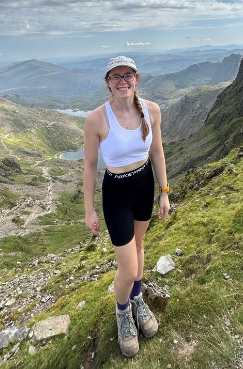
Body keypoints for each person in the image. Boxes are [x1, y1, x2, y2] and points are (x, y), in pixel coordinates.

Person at [82, 55, 170, 358]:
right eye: (115, 76)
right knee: (129, 265)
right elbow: (91, 166)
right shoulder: (97, 119)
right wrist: (89, 210)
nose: (122, 81)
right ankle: (122, 312)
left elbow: (157, 151)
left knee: (140, 246)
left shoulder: (152, 110)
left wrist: (164, 192)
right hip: (117, 193)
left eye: (128, 75)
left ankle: (136, 300)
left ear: (137, 79)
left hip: (144, 185)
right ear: (107, 82)